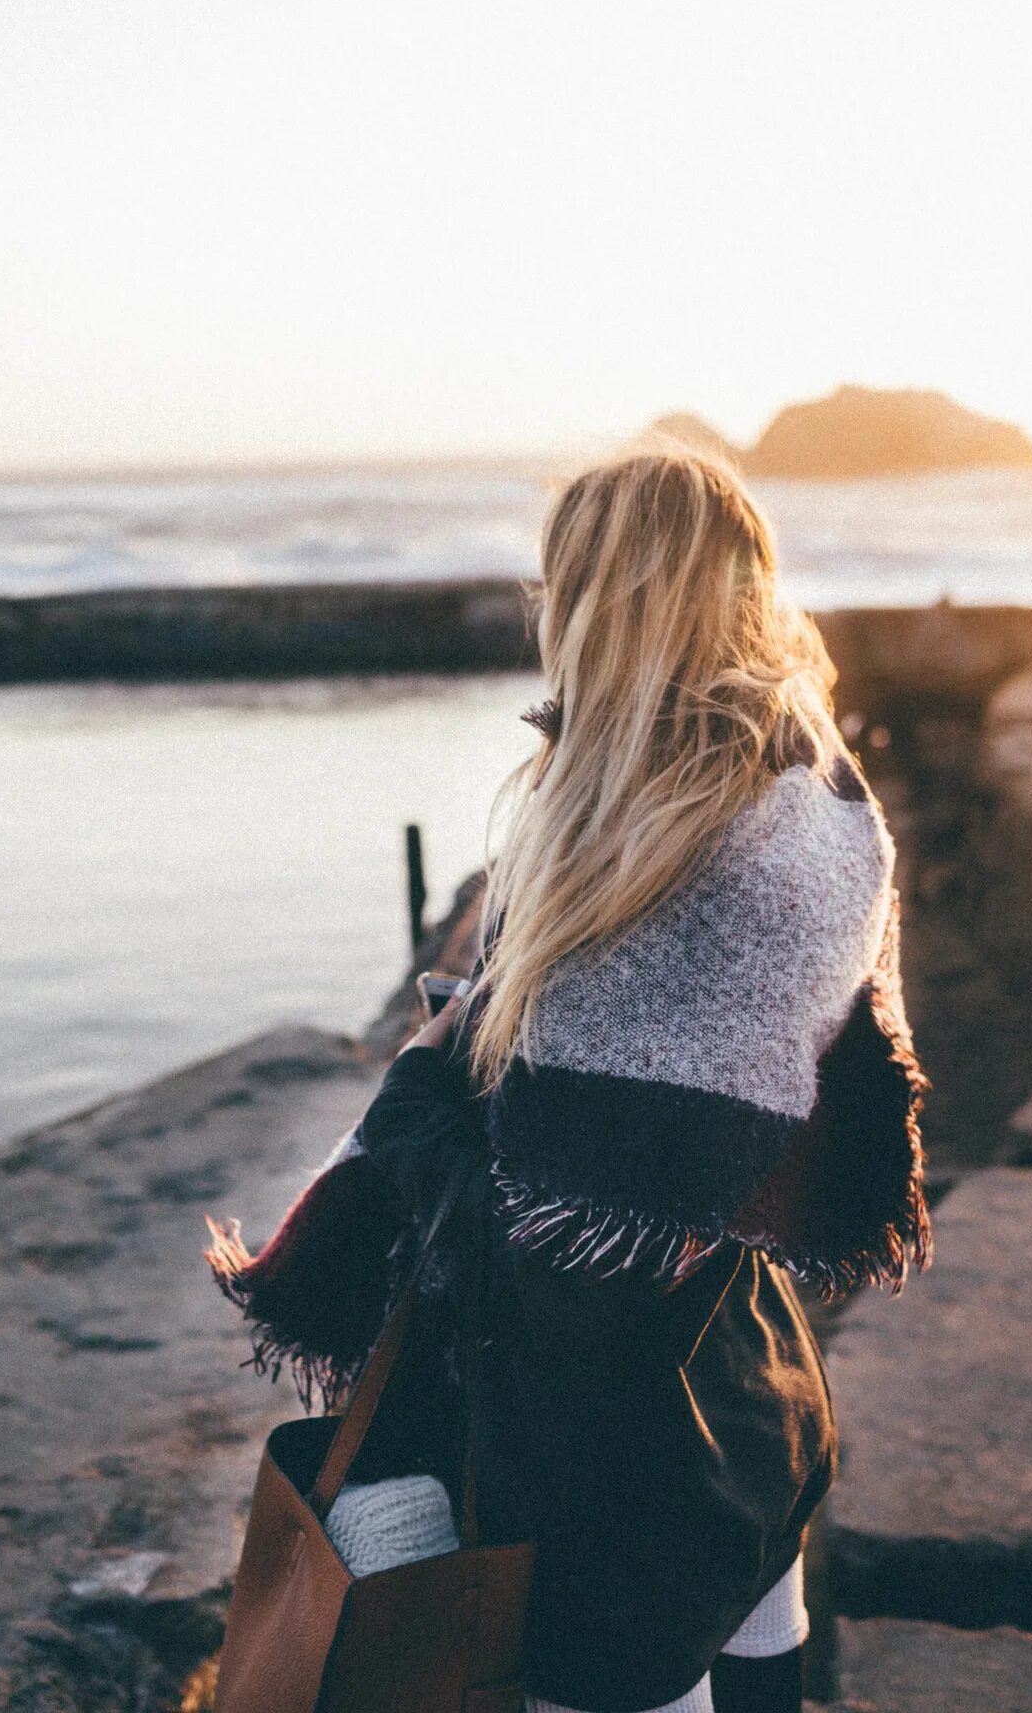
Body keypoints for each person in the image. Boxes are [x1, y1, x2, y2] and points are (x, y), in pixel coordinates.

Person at [210, 447, 931, 1713]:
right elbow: (727, 1113)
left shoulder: (619, 827)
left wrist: (423, 1092)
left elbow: (550, 1207)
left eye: (559, 584)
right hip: (748, 1385)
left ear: (594, 599)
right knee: (763, 1666)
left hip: (603, 1458)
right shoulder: (820, 799)